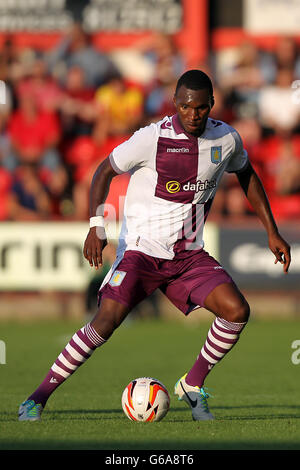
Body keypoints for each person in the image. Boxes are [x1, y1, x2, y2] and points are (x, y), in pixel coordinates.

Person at [18, 70, 291, 422]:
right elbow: (104, 171)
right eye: (188, 106)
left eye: (202, 107)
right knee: (105, 321)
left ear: (211, 105)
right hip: (142, 251)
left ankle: (192, 385)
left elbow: (247, 174)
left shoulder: (226, 139)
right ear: (176, 103)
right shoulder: (151, 138)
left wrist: (271, 231)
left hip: (189, 255)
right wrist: (96, 226)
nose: (195, 114)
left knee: (237, 311)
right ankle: (37, 398)